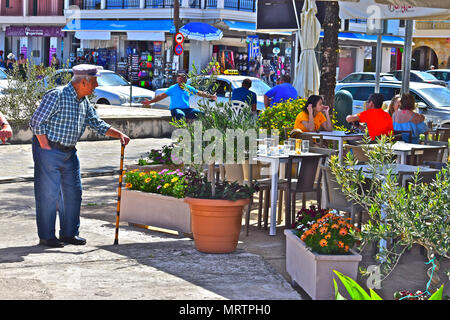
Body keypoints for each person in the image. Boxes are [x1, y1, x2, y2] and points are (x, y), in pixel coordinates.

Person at [29, 64, 130, 248]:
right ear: (84, 81)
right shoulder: (57, 95)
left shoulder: (84, 102)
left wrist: (119, 134)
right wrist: (45, 146)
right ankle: (47, 236)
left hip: (69, 152)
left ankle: (69, 234)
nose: (96, 85)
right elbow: (36, 121)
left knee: (73, 193)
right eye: (94, 81)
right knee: (48, 194)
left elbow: (96, 123)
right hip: (49, 149)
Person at [142, 70, 217, 120]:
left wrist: (211, 96)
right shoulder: (173, 88)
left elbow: (199, 93)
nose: (181, 81)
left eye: (182, 80)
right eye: (179, 80)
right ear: (177, 80)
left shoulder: (188, 88)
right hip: (176, 110)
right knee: (180, 114)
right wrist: (150, 101)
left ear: (185, 80)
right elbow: (162, 96)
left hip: (187, 110)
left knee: (202, 114)